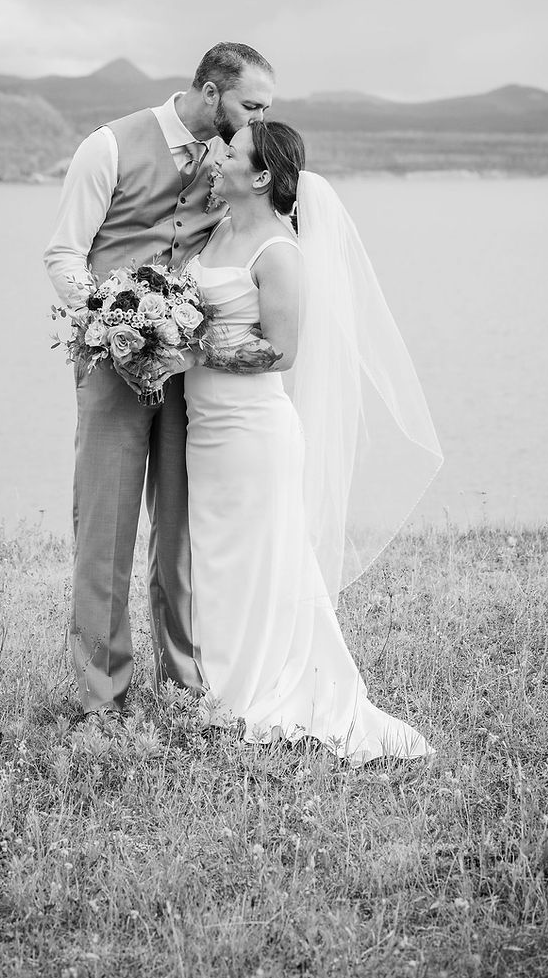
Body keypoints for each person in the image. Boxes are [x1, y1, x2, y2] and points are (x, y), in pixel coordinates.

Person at [183, 121, 443, 764]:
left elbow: (281, 351)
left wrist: (191, 352)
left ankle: (262, 691)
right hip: (205, 428)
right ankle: (221, 684)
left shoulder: (279, 251)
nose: (218, 156)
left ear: (261, 176)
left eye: (231, 152)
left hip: (252, 433)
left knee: (262, 560)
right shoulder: (219, 229)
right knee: (218, 560)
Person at [44, 43, 275, 718]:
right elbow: (63, 253)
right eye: (251, 105)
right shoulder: (108, 147)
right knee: (106, 533)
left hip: (189, 373)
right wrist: (108, 322)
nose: (258, 120)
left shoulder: (233, 165)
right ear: (211, 92)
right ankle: (102, 697)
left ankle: (184, 684)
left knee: (181, 535)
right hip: (111, 368)